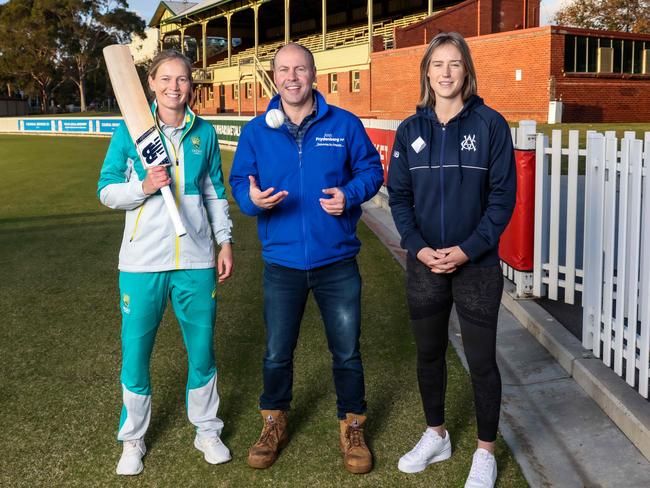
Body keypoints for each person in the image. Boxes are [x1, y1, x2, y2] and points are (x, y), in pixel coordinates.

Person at [229, 42, 383, 474]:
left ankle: (353, 425)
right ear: (274, 77)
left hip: (336, 261)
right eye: (283, 70)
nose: (291, 77)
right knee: (278, 352)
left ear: (313, 75)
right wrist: (254, 200)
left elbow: (372, 171)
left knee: (347, 353)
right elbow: (240, 182)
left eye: (300, 69)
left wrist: (349, 196)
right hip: (282, 264)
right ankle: (273, 421)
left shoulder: (344, 124)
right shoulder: (258, 130)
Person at [387, 32, 516, 488]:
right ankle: (436, 434)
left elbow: (502, 199)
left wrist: (466, 249)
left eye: (454, 64)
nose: (445, 72)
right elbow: (399, 198)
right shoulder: (410, 130)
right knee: (429, 353)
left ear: (467, 71)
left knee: (481, 360)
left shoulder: (491, 125)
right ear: (426, 71)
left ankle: (485, 452)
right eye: (437, 64)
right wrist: (419, 247)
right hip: (424, 264)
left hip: (476, 265)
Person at [97, 50, 234, 476]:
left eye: (183, 80)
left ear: (191, 86)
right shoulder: (130, 131)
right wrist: (142, 185)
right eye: (166, 79)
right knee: (136, 355)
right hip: (141, 263)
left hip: (195, 259)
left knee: (202, 351)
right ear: (151, 84)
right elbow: (106, 190)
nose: (175, 87)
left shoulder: (204, 134)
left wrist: (224, 243)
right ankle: (133, 439)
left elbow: (214, 195)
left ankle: (206, 429)